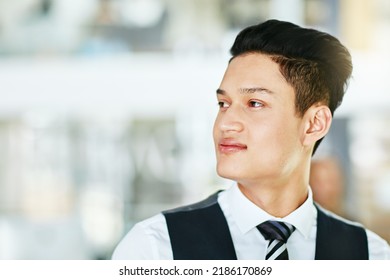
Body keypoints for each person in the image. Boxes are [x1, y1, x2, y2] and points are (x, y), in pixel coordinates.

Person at [112, 19, 390, 260]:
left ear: (314, 124)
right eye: (223, 103)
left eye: (255, 103)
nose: (226, 123)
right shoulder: (156, 249)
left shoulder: (371, 256)